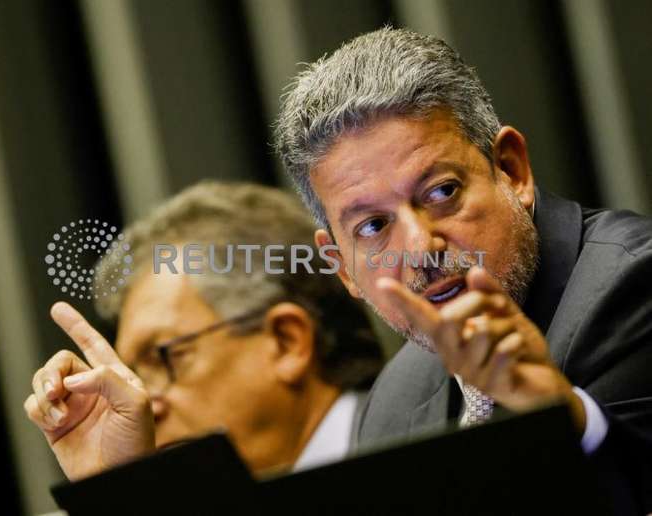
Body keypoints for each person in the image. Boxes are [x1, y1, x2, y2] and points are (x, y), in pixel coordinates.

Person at [273, 26, 651, 513]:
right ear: (342, 266)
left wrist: (563, 419)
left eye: (441, 192)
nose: (420, 248)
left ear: (512, 170)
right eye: (372, 225)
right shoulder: (392, 403)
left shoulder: (635, 286)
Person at [24, 181, 384, 480]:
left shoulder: (423, 446)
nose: (141, 403)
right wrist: (113, 489)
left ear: (286, 341)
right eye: (133, 374)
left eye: (163, 356)